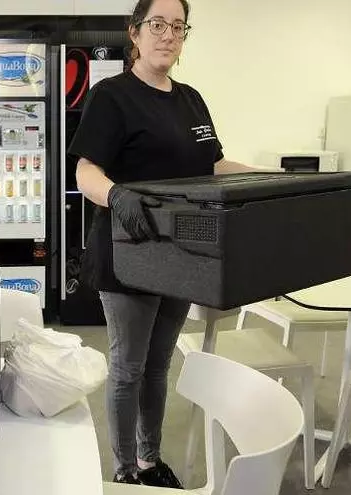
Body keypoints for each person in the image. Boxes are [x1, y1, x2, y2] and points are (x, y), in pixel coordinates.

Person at [67, 0, 256, 487]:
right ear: (135, 32)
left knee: (158, 365)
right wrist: (116, 194)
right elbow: (85, 171)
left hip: (180, 255)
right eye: (157, 24)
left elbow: (212, 165)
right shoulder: (112, 96)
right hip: (128, 253)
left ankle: (150, 461)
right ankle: (125, 470)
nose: (168, 34)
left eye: (178, 26)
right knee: (128, 367)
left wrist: (266, 177)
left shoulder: (191, 99)